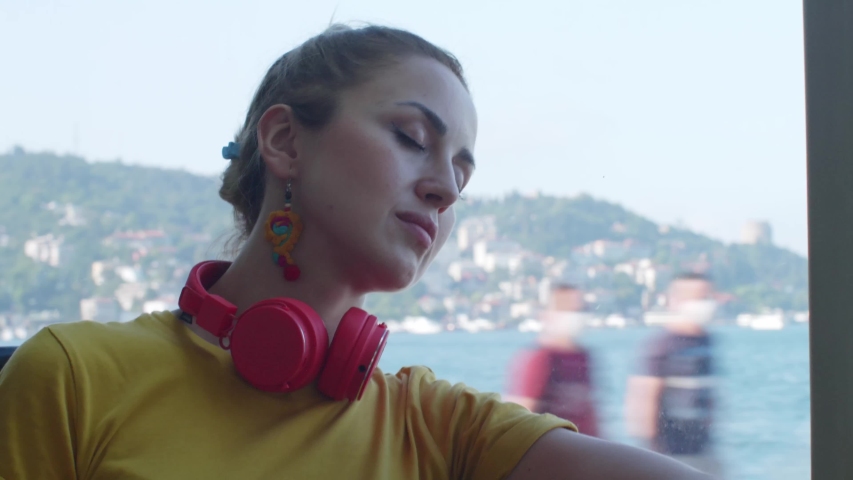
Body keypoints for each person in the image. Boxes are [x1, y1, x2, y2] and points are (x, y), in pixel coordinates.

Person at [0, 24, 713, 479]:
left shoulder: (437, 428)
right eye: (410, 137)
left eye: (461, 173)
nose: (443, 190)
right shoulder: (72, 378)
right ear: (284, 142)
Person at [625, 272, 723, 477]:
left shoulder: (706, 341)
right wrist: (653, 459)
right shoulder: (662, 345)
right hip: (671, 455)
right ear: (676, 301)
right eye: (697, 297)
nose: (704, 303)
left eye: (706, 296)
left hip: (704, 452)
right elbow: (645, 400)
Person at [504, 284, 600, 437]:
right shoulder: (539, 359)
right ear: (550, 315)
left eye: (581, 310)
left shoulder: (583, 357)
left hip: (583, 450)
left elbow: (591, 414)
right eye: (570, 311)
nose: (577, 316)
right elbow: (517, 419)